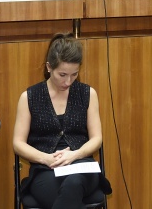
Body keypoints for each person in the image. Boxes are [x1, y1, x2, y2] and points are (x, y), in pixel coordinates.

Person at [12, 34, 111, 208]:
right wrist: (46, 159)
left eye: (74, 74)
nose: (68, 81)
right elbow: (18, 143)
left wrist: (75, 154)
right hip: (45, 169)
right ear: (49, 67)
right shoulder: (30, 97)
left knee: (73, 184)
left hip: (81, 166)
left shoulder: (87, 94)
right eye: (62, 74)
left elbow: (96, 139)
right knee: (67, 194)